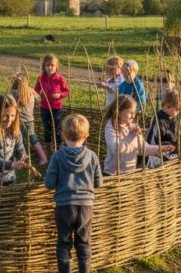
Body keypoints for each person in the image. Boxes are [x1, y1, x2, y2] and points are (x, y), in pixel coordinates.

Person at [44, 113, 103, 273]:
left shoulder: (57, 157)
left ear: (63, 135)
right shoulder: (92, 156)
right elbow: (98, 183)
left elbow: (48, 184)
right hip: (86, 207)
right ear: (87, 135)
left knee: (64, 244)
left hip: (64, 207)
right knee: (84, 243)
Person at [102, 95, 175, 175]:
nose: (133, 116)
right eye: (130, 113)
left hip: (129, 172)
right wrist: (131, 136)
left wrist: (161, 148)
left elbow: (143, 149)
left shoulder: (132, 127)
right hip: (113, 173)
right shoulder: (111, 128)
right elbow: (116, 149)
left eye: (134, 112)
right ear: (119, 112)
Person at [145, 90, 181, 168]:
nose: (178, 112)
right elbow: (152, 141)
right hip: (159, 152)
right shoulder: (159, 120)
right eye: (177, 109)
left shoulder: (171, 117)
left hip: (170, 148)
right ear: (167, 105)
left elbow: (174, 134)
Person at [9, 72, 47, 165]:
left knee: (17, 140)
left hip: (18, 121)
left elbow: (7, 101)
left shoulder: (13, 93)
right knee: (33, 139)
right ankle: (43, 158)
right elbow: (39, 99)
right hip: (30, 121)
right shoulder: (31, 91)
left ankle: (20, 160)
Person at [34, 53, 69, 152]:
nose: (50, 67)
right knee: (47, 127)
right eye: (47, 65)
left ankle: (59, 146)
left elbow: (66, 91)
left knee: (57, 127)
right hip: (44, 107)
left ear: (56, 66)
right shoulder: (41, 78)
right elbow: (35, 91)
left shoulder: (60, 79)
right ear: (44, 67)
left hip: (56, 107)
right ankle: (48, 147)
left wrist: (60, 95)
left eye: (52, 65)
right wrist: (39, 95)